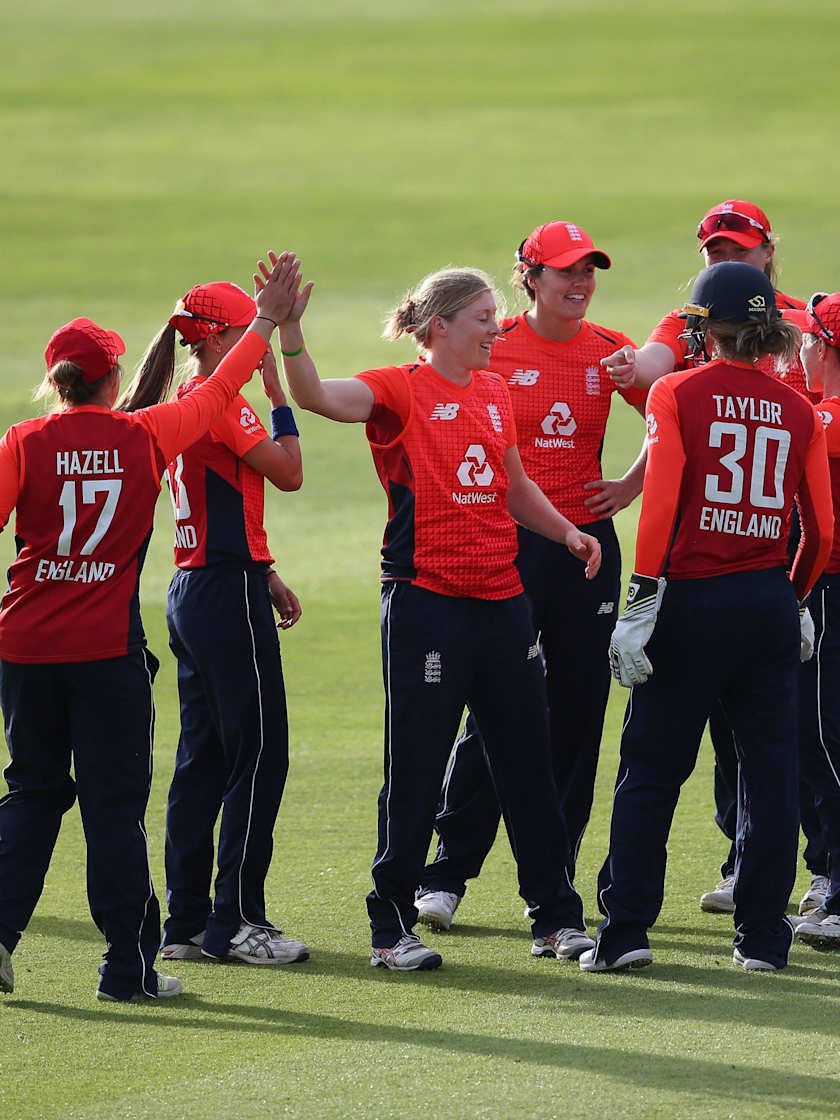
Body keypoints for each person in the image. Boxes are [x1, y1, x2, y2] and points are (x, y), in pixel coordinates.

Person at [275, 258, 602, 970]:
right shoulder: (400, 389)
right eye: (483, 318)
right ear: (440, 326)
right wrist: (291, 333)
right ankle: (391, 927)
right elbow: (317, 398)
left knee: (527, 764)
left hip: (503, 603)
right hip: (427, 605)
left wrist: (565, 532)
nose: (495, 328)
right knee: (417, 768)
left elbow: (514, 485)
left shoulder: (493, 388)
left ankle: (555, 917)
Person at [0, 251, 302, 1001]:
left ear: (55, 381)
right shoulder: (146, 434)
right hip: (105, 655)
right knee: (114, 806)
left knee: (32, 794)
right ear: (111, 375)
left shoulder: (21, 442)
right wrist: (268, 322)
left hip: (25, 648)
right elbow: (227, 392)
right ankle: (131, 966)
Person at [580, 261, 833, 975]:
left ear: (701, 329)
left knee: (653, 774)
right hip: (766, 606)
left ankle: (625, 931)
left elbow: (657, 510)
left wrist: (638, 609)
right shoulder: (797, 408)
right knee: (771, 777)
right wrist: (795, 597)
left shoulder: (676, 390)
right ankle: (762, 941)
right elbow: (820, 530)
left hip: (689, 604)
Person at [414, 221, 647, 933]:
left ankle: (554, 879)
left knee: (576, 713)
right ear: (531, 277)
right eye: (565, 272)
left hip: (586, 549)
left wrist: (630, 485)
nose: (579, 284)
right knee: (495, 711)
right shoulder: (494, 344)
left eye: (589, 272)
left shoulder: (611, 352)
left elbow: (675, 421)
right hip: (505, 543)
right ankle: (448, 873)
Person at [119, 278, 308, 967]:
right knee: (260, 755)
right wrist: (280, 392)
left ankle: (188, 926)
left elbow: (223, 503)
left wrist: (266, 568)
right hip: (225, 593)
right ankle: (238, 922)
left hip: (196, 587)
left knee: (202, 762)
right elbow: (288, 474)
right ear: (227, 340)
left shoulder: (179, 402)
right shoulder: (228, 406)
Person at [793, 291, 840, 948]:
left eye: (806, 338)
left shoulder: (819, 422)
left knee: (825, 737)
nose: (798, 349)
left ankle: (834, 882)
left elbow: (819, 536)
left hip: (827, 589)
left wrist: (790, 594)